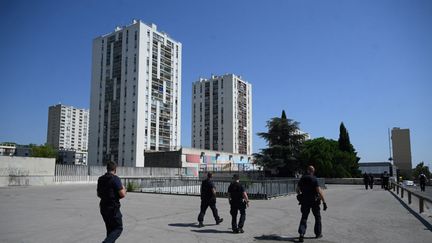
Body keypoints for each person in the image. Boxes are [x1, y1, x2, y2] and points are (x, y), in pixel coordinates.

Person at [97, 161, 127, 243]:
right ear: (115, 169)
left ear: (107, 169)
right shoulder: (115, 178)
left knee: (110, 231)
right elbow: (122, 194)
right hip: (113, 209)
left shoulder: (101, 179)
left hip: (103, 207)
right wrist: (124, 188)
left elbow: (98, 194)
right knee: (118, 228)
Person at [296, 166, 327, 242]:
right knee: (317, 218)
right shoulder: (314, 179)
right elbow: (319, 192)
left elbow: (297, 189)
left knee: (304, 217)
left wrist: (301, 195)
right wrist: (324, 202)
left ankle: (302, 234)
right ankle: (318, 234)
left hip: (305, 201)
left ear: (307, 170)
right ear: (313, 171)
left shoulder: (302, 178)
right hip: (314, 201)